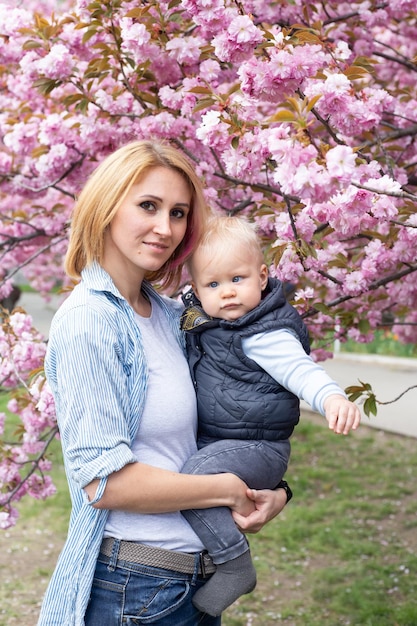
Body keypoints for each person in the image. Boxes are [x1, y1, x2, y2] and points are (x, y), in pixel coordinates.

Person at [38, 141, 289, 626]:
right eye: (148, 206)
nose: (165, 228)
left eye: (178, 213)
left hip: (192, 580)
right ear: (106, 206)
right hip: (136, 587)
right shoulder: (90, 321)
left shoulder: (176, 316)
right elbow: (102, 480)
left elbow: (235, 418)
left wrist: (275, 492)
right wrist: (226, 490)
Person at [180, 215, 361, 617]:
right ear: (195, 290)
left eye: (237, 279)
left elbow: (301, 370)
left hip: (258, 446)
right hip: (229, 442)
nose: (226, 292)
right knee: (194, 483)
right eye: (213, 284)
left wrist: (332, 398)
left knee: (189, 484)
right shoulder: (206, 323)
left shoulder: (263, 332)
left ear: (262, 277)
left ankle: (234, 564)